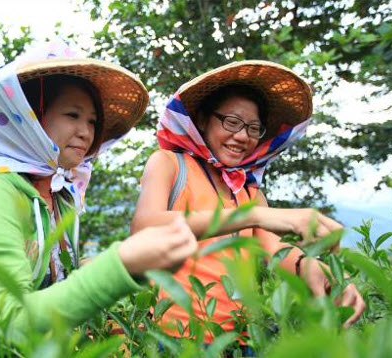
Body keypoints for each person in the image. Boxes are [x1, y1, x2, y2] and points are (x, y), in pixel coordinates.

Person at [0, 41, 198, 356]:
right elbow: (6, 321)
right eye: (72, 115)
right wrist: (120, 265)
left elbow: (49, 282)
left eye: (92, 122)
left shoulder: (60, 196)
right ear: (30, 117)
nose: (86, 132)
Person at [132, 60, 366, 345]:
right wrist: (252, 216)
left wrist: (330, 277)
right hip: (174, 338)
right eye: (231, 122)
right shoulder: (170, 164)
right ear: (203, 120)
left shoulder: (248, 191)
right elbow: (144, 227)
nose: (242, 136)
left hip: (236, 340)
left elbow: (281, 253)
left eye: (254, 128)